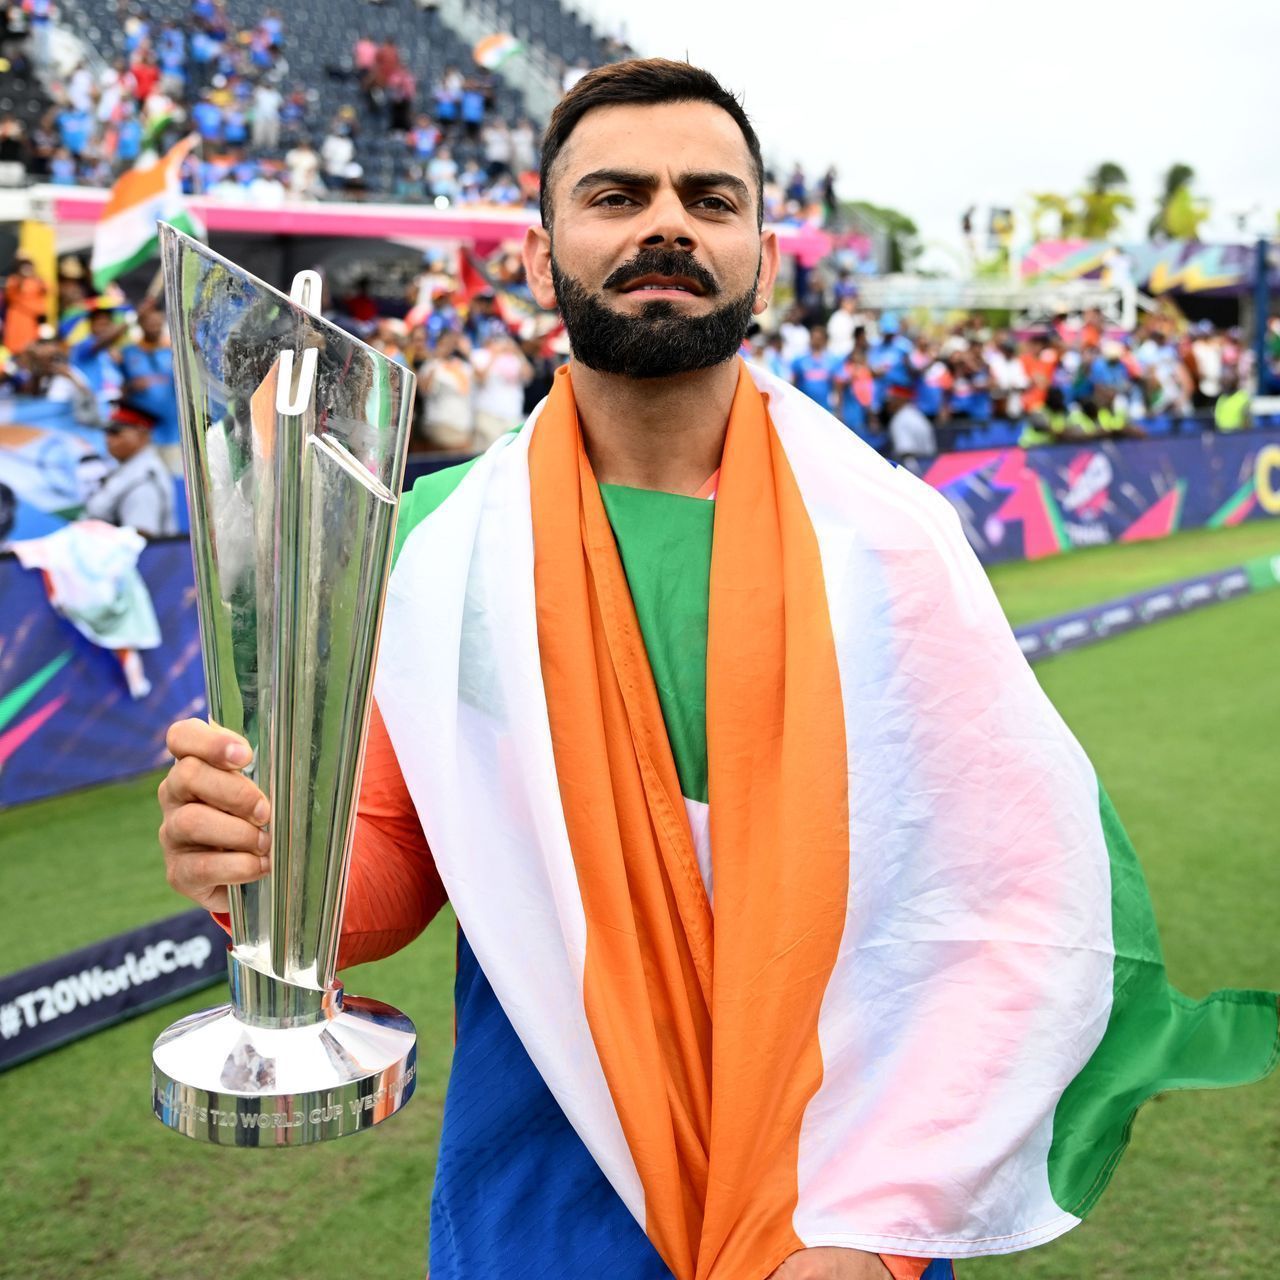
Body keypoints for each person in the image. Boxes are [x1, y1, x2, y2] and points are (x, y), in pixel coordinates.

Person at [157, 59, 1276, 1280]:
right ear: (538, 256)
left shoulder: (889, 538)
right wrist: (256, 857)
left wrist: (873, 1235)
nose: (666, 224)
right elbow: (383, 883)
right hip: (544, 1208)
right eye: (615, 194)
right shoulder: (430, 540)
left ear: (761, 253)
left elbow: (1004, 907)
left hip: (843, 1215)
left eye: (709, 197)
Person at [83, 399, 177, 536]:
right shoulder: (129, 469)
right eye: (107, 432)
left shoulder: (144, 478)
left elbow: (141, 537)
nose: (108, 439)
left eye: (115, 432)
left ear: (142, 433)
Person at [119, 299, 182, 472]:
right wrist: (131, 387)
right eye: (149, 322)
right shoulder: (127, 353)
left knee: (176, 480)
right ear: (140, 324)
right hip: (143, 433)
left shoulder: (175, 350)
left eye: (157, 321)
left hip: (173, 432)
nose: (154, 326)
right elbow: (118, 390)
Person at [3, 254, 48, 354]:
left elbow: (47, 289)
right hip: (18, 318)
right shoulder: (14, 280)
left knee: (31, 345)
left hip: (32, 320)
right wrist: (20, 281)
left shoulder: (37, 281)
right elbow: (10, 294)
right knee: (16, 344)